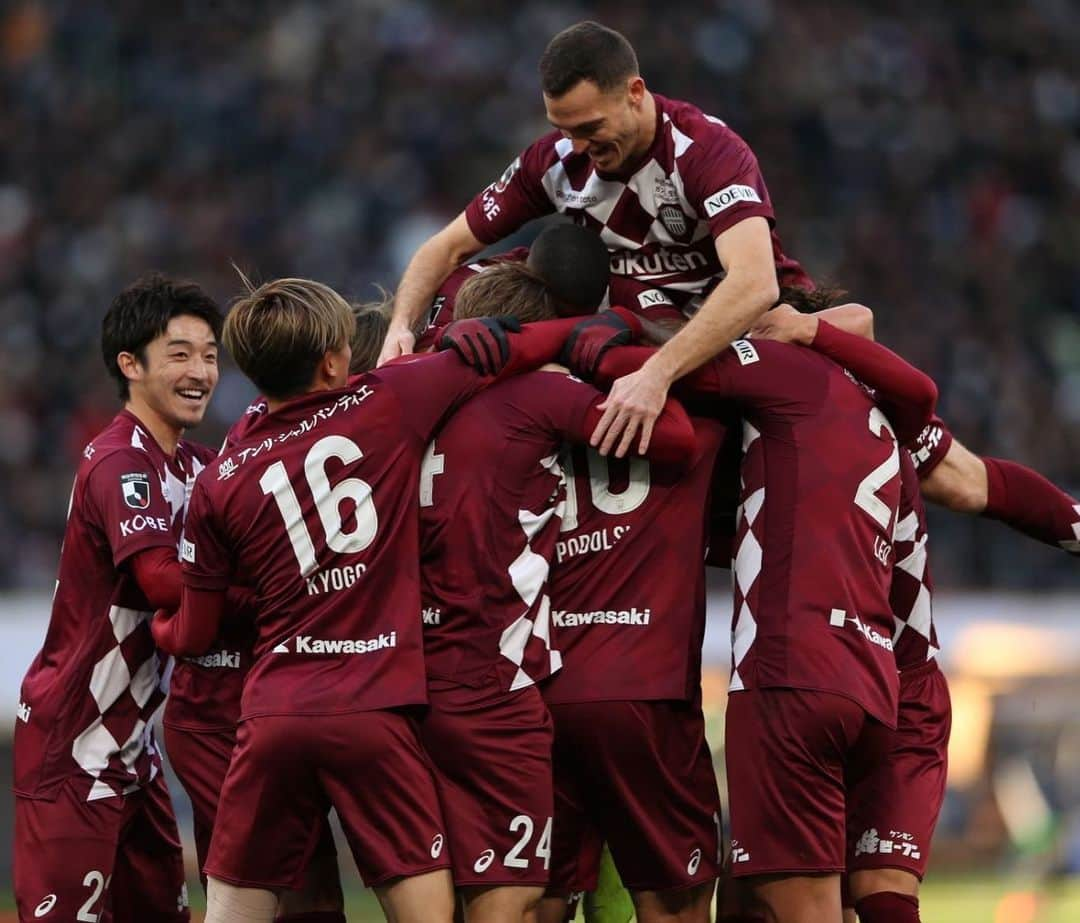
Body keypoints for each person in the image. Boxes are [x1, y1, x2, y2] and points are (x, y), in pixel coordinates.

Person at [150, 277, 589, 923]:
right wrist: (595, 332)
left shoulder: (222, 474)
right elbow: (503, 343)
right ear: (333, 360)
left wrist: (162, 628)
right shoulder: (384, 402)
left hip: (271, 714)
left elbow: (195, 629)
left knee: (230, 911)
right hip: (371, 709)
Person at [567, 311, 937, 923]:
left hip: (789, 673)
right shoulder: (879, 425)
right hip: (872, 677)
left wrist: (581, 338)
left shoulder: (785, 373)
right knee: (761, 901)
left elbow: (663, 368)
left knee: (802, 907)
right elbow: (921, 392)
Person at [380, 19, 812, 456]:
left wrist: (657, 374)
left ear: (635, 93)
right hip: (638, 351)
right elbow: (444, 248)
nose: (578, 146)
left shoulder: (706, 152)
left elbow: (755, 283)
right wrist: (401, 327)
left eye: (589, 128)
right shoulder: (556, 161)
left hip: (733, 345)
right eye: (563, 129)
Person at [417, 261, 695, 923]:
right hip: (517, 679)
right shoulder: (541, 398)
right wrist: (608, 333)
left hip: (421, 679)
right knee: (530, 895)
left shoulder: (406, 404)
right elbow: (679, 438)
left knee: (489, 891)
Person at [12, 273, 223, 923]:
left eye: (211, 354)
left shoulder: (196, 465)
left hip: (135, 751)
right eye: (180, 353)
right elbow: (162, 583)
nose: (201, 371)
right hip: (75, 742)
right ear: (130, 364)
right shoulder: (117, 461)